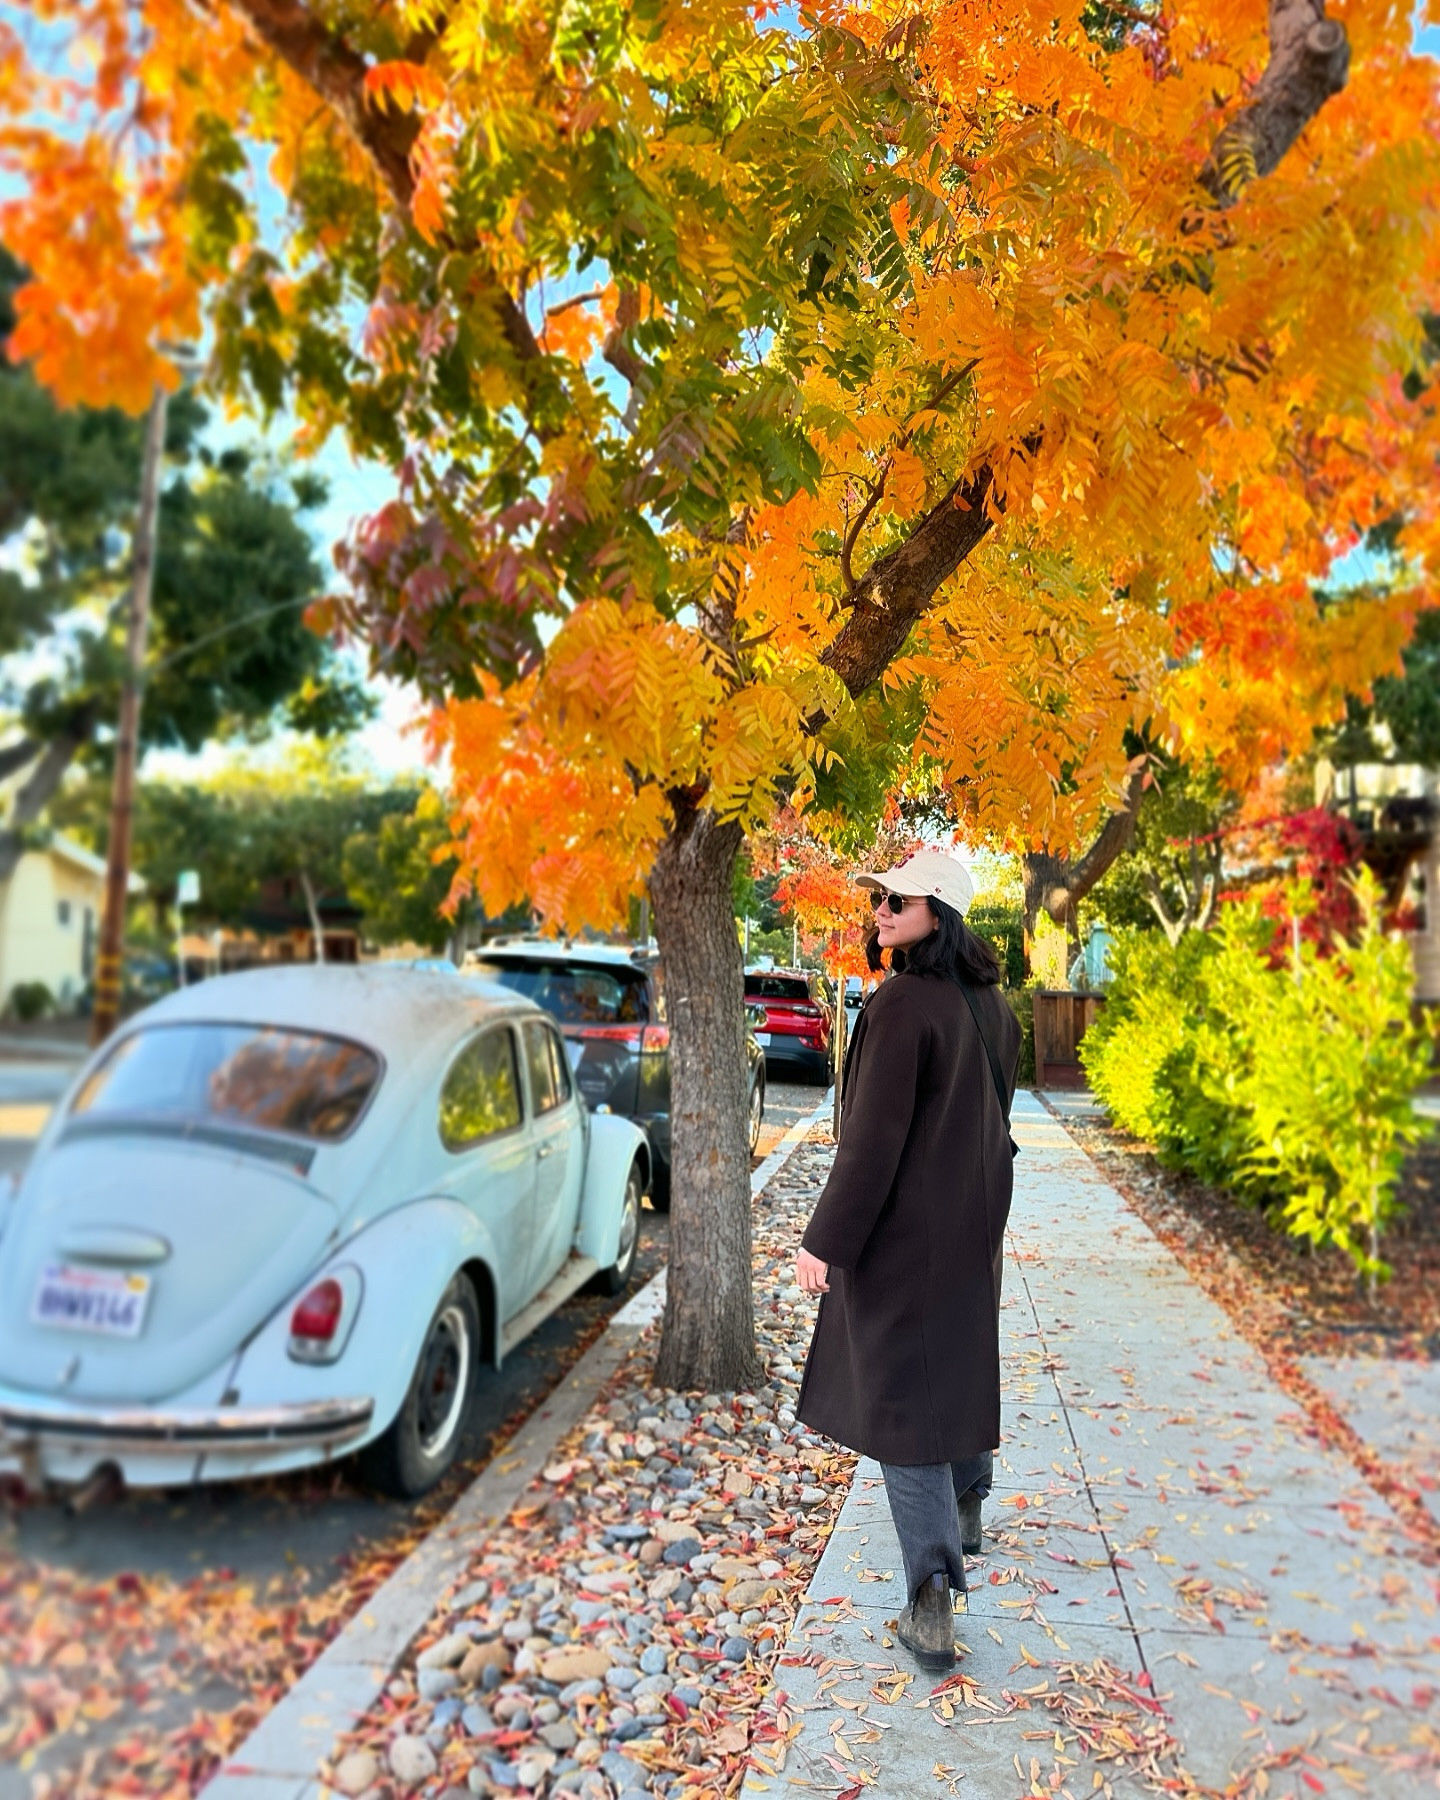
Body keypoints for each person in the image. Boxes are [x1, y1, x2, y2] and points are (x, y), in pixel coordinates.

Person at [793, 848, 1021, 1673]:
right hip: (972, 1217)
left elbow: (872, 1143)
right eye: (880, 900)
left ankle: (930, 1600)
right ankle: (968, 1507)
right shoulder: (993, 1006)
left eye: (899, 901)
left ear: (940, 914)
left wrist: (825, 1240)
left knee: (902, 1407)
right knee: (956, 1360)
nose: (881, 912)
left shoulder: (900, 1006)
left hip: (908, 1232)